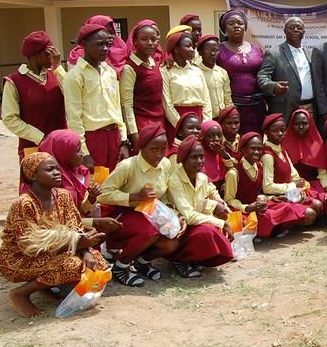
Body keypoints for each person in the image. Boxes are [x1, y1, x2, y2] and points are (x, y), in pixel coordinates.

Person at [0, 152, 109, 317]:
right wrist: (78, 243)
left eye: (57, 169)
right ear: (32, 175)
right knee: (71, 266)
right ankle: (20, 294)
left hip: (57, 249)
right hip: (19, 258)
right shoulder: (23, 204)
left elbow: (75, 226)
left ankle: (46, 286)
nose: (57, 172)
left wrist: (85, 250)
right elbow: (29, 246)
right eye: (50, 170)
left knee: (98, 263)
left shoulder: (63, 196)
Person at [97, 123, 181, 287]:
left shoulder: (165, 164)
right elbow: (103, 195)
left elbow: (165, 197)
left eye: (163, 149)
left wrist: (176, 216)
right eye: (153, 149)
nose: (159, 154)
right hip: (124, 214)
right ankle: (121, 266)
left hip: (152, 212)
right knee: (151, 231)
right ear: (142, 147)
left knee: (172, 240)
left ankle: (142, 262)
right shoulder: (128, 166)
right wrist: (134, 196)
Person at [62, 18, 130, 171]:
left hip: (114, 137)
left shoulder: (110, 72)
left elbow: (117, 109)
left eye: (108, 44)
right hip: (93, 139)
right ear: (84, 44)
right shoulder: (75, 76)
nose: (105, 48)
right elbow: (74, 118)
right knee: (96, 186)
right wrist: (84, 152)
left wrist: (124, 141)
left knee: (115, 185)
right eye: (100, 44)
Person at [166, 137, 235, 277]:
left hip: (193, 222)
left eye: (201, 157)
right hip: (178, 226)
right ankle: (179, 259)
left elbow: (204, 200)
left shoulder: (202, 178)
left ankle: (194, 258)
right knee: (207, 231)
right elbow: (188, 215)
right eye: (194, 157)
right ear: (183, 159)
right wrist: (222, 223)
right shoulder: (174, 180)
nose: (199, 161)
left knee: (211, 227)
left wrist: (218, 206)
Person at [225, 133, 313, 239]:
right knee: (268, 217)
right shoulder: (234, 173)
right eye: (253, 149)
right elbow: (229, 200)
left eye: (259, 149)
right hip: (244, 211)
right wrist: (247, 207)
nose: (257, 152)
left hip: (259, 206)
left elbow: (259, 193)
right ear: (242, 149)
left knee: (287, 206)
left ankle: (273, 229)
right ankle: (269, 231)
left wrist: (272, 198)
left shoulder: (260, 167)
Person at [2, 30, 67, 160]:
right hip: (33, 147)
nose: (52, 57)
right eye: (47, 54)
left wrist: (58, 67)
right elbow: (10, 119)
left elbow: (72, 94)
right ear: (34, 55)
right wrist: (39, 137)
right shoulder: (14, 81)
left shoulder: (55, 74)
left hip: (60, 144)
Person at [260, 114, 322, 224]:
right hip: (276, 198)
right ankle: (288, 224)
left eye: (282, 130)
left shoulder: (282, 150)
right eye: (275, 131)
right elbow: (267, 187)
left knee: (318, 205)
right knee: (310, 214)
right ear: (266, 133)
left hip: (289, 193)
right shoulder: (268, 155)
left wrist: (300, 190)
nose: (280, 134)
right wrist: (293, 186)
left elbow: (295, 176)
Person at [257, 16, 316, 124]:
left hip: (310, 107)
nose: (295, 30)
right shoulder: (274, 53)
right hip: (285, 107)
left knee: (308, 140)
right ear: (285, 31)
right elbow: (262, 77)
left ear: (304, 31)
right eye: (291, 27)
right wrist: (273, 86)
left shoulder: (311, 53)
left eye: (299, 27)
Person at [217, 8, 267, 134]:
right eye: (231, 23)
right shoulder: (218, 50)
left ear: (245, 27)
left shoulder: (257, 49)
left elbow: (264, 75)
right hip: (233, 108)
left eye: (240, 23)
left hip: (257, 107)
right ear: (224, 29)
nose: (236, 26)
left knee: (255, 142)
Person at [162, 28, 212, 142]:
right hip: (177, 121)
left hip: (199, 119)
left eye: (192, 47)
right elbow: (167, 103)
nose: (192, 50)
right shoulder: (166, 70)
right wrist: (181, 126)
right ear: (176, 49)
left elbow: (206, 100)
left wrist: (203, 126)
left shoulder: (197, 70)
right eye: (187, 46)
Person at [120, 20, 164, 146]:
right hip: (142, 125)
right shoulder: (130, 68)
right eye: (144, 39)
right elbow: (126, 105)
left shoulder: (155, 64)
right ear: (135, 42)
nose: (150, 43)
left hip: (160, 123)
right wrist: (134, 134)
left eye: (154, 39)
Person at [37, 130, 96, 217]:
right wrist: (94, 223)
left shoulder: (78, 172)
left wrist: (92, 197)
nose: (82, 154)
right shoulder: (46, 183)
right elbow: (53, 221)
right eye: (77, 150)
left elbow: (79, 210)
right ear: (63, 153)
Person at [196, 34, 233, 115]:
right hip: (205, 118)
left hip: (222, 118)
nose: (213, 53)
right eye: (209, 50)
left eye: (216, 50)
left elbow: (227, 97)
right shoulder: (196, 72)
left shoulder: (222, 72)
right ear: (200, 52)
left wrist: (230, 113)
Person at [199, 120, 228, 189]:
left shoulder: (222, 152)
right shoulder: (198, 156)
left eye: (219, 135)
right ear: (202, 137)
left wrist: (224, 155)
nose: (216, 139)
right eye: (211, 136)